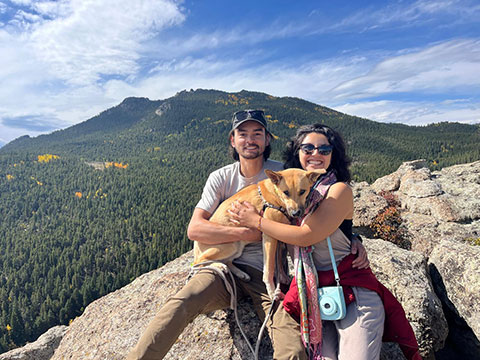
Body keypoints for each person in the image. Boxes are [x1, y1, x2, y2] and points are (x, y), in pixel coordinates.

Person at [127, 112, 369, 360]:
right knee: (181, 303)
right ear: (233, 140)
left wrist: (354, 238)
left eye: (257, 134)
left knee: (293, 348)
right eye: (243, 134)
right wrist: (247, 231)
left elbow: (317, 210)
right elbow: (195, 229)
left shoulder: (284, 175)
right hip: (220, 268)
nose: (250, 140)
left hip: (265, 275)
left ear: (267, 140)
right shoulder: (221, 178)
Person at [229, 124, 421, 360]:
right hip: (315, 294)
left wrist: (255, 221)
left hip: (352, 290)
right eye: (307, 148)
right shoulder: (291, 191)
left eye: (324, 149)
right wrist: (354, 237)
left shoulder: (337, 190)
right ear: (297, 152)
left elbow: (308, 235)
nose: (316, 154)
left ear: (334, 154)